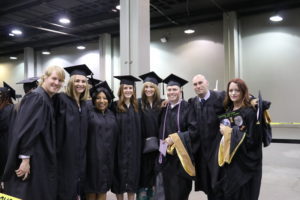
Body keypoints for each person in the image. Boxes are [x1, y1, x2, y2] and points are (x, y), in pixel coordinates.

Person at [2, 65, 65, 200]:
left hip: (40, 153)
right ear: (45, 78)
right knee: (27, 191)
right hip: (34, 154)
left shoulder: (45, 97)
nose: (57, 83)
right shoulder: (37, 97)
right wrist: (25, 159)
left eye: (60, 80)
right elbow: (27, 129)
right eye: (54, 78)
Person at [216, 78, 262, 200]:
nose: (233, 93)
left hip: (244, 166)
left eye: (237, 90)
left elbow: (253, 141)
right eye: (230, 90)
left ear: (243, 92)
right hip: (230, 162)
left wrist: (229, 133)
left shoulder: (250, 112)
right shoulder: (229, 110)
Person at [155, 74, 197, 200]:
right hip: (165, 159)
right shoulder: (163, 108)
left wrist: (175, 138)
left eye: (174, 89)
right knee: (165, 193)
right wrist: (161, 155)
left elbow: (194, 131)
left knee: (180, 193)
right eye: (169, 90)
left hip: (181, 160)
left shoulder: (187, 107)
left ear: (181, 91)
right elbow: (160, 131)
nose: (171, 92)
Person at [55, 64, 92, 200]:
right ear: (71, 82)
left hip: (80, 155)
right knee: (65, 189)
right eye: (77, 81)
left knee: (78, 189)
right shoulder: (60, 99)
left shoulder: (84, 104)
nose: (80, 84)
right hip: (64, 155)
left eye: (83, 81)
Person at [188, 74, 225, 199]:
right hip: (202, 152)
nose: (198, 86)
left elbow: (235, 108)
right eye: (195, 84)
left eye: (200, 83)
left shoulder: (221, 97)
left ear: (207, 83)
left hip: (218, 150)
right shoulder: (193, 102)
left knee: (220, 184)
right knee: (208, 185)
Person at [85, 81, 118, 200]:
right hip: (92, 159)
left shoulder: (111, 114)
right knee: (92, 189)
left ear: (109, 100)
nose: (101, 101)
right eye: (98, 98)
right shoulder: (89, 113)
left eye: (104, 98)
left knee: (103, 188)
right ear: (94, 99)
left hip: (107, 159)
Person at [111, 75, 141, 200]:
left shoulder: (138, 106)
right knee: (119, 178)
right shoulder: (114, 106)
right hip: (119, 149)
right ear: (121, 90)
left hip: (134, 148)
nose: (128, 90)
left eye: (130, 88)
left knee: (132, 179)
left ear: (134, 90)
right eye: (125, 88)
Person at [137, 72, 163, 200]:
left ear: (156, 88)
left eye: (152, 87)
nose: (148, 89)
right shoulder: (138, 103)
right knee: (143, 177)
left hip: (158, 147)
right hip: (142, 147)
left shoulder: (163, 104)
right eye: (146, 87)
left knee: (156, 177)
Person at [0, 82, 17, 191]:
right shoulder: (12, 108)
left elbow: (3, 125)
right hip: (7, 144)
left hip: (4, 144)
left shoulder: (7, 109)